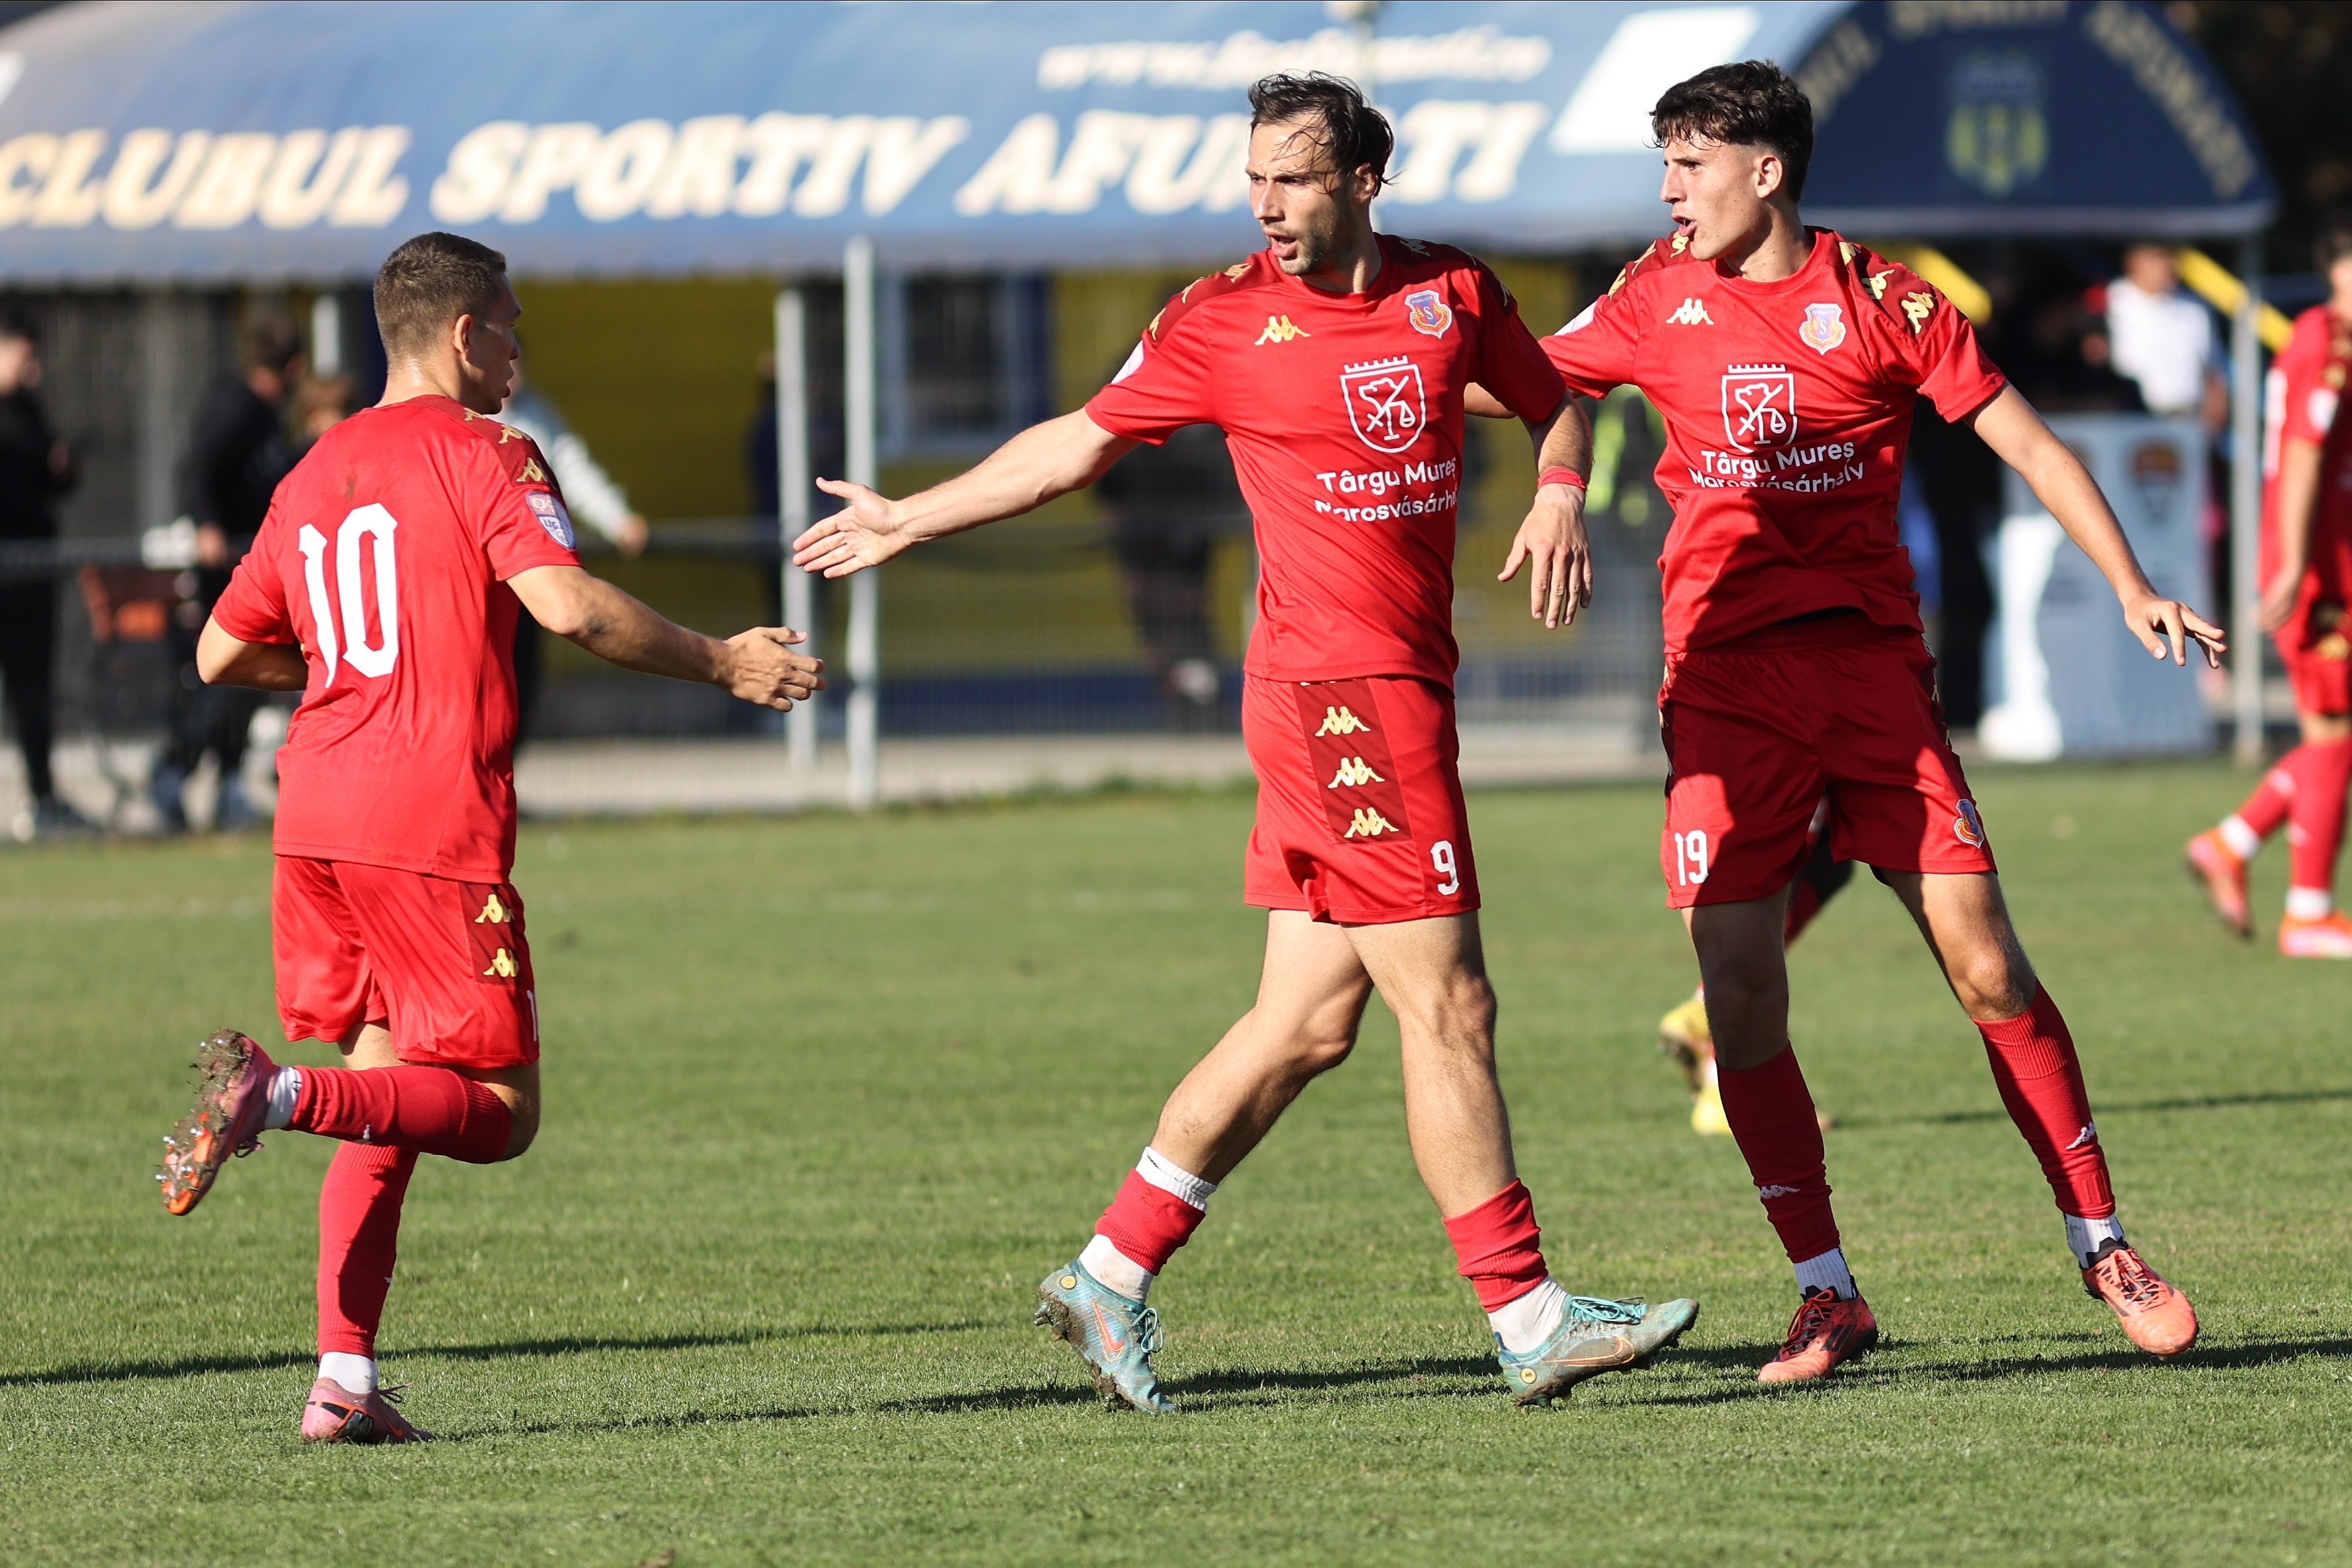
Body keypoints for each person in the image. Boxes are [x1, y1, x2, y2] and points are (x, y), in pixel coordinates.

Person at [797, 72, 1695, 1414]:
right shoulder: (1219, 319)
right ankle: (1527, 1315)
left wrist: (1560, 489)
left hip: (1393, 689)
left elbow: (1556, 396)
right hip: (1337, 699)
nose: (1265, 204)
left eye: (1292, 177)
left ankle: (1108, 1272)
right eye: (1253, 178)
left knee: (1302, 1020)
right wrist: (910, 519)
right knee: (1448, 1003)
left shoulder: (1446, 295)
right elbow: (1075, 443)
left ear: (1361, 182)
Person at [1494, 61, 2219, 1384]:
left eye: (1687, 165)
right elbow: (1543, 385)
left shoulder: (1880, 299)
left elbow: (2033, 445)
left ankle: (2103, 1240)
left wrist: (2132, 586)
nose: (1667, 190)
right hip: (1720, 687)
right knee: (1738, 989)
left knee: (1985, 962)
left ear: (1764, 170)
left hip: (1871, 677)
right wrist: (1552, 484)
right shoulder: (1654, 293)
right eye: (1662, 164)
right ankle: (1825, 1293)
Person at [153, 231, 821, 1444]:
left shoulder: (314, 468)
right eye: (512, 325)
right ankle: (276, 1093)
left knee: (389, 1087)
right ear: (466, 336)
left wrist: (354, 675)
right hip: (425, 818)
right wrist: (724, 659)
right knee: (498, 1113)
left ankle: (342, 1384)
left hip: (313, 815)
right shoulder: (486, 449)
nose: (520, 349)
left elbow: (219, 652)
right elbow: (567, 604)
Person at [2187, 213, 2352, 956]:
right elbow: (2305, 458)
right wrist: (2292, 564)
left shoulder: (2321, 338)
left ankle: (2233, 842)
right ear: (2335, 271)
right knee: (2334, 738)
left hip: (2323, 566)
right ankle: (2309, 911)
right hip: (2314, 576)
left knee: (2336, 738)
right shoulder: (2329, 346)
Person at [153, 319, 304, 833]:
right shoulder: (236, 406)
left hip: (249, 566)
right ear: (292, 368)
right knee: (219, 678)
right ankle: (175, 771)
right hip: (223, 572)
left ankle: (229, 780)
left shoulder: (263, 414)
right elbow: (194, 468)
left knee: (244, 684)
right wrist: (207, 525)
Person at [496, 346, 649, 739]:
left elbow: (572, 468)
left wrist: (618, 519)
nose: (511, 375)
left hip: (531, 572)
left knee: (521, 685)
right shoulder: (463, 417)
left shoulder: (536, 415)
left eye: (518, 365)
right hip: (483, 580)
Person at [0, 309, 90, 837]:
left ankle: (43, 797)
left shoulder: (28, 410)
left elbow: (48, 482)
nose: (33, 371)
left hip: (31, 579)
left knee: (33, 690)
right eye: (26, 357)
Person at [1095, 420, 1245, 726]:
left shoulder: (1193, 419)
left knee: (1184, 613)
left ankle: (1200, 699)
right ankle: (1184, 697)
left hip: (1182, 528)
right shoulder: (1127, 393)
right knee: (1158, 618)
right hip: (1144, 530)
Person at [2106, 243, 2229, 428]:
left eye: (2171, 256)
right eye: (2158, 256)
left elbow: (2213, 371)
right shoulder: (2111, 302)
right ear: (2133, 262)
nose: (2168, 264)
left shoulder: (2195, 309)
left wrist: (2213, 424)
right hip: (2125, 422)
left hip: (2187, 421)